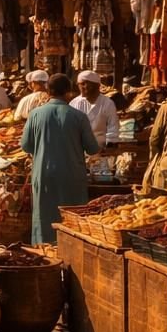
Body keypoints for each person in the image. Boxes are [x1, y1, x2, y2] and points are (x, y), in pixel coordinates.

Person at [21, 73, 101, 244]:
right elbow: (92, 148)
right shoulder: (79, 116)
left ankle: (44, 251)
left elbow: (26, 146)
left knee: (44, 217)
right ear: (68, 92)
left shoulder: (35, 114)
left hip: (44, 174)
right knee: (73, 220)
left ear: (48, 91)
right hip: (72, 176)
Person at [70, 70, 120, 145]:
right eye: (80, 84)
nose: (81, 87)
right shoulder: (74, 103)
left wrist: (110, 143)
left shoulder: (107, 103)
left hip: (100, 146)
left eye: (83, 84)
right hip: (79, 146)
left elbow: (113, 127)